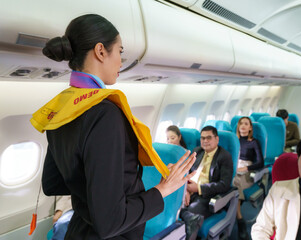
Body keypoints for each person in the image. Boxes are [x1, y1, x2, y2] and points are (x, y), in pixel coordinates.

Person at [30, 14, 196, 239]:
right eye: (120, 51)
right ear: (100, 51)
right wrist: (163, 189)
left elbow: (53, 183)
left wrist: (91, 191)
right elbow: (110, 222)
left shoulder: (60, 107)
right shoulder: (104, 114)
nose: (121, 61)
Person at [180, 126, 233, 240]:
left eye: (209, 138)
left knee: (189, 213)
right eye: (202, 138)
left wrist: (198, 188)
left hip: (207, 197)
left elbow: (224, 184)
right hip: (190, 191)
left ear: (217, 139)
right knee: (172, 207)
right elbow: (186, 173)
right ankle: (190, 218)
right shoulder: (197, 151)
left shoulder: (224, 156)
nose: (205, 141)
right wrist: (186, 191)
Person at [233, 117, 264, 240]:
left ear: (250, 127)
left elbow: (260, 162)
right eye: (241, 123)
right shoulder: (234, 140)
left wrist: (244, 168)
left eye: (246, 124)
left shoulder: (253, 142)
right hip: (234, 168)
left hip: (246, 172)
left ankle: (240, 221)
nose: (243, 126)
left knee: (235, 184)